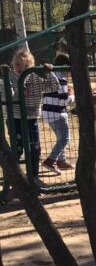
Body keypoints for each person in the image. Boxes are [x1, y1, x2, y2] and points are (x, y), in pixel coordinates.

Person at [10, 48, 58, 188]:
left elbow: (53, 87)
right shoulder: (9, 78)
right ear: (13, 64)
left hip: (31, 119)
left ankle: (34, 177)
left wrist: (49, 73)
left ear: (31, 66)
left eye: (26, 66)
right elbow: (9, 95)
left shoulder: (36, 77)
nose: (21, 68)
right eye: (18, 64)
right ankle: (13, 178)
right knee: (17, 149)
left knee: (34, 149)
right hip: (16, 119)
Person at [41, 51, 73, 173]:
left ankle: (61, 161)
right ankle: (50, 160)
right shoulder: (62, 79)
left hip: (47, 112)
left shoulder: (52, 75)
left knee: (60, 138)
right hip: (58, 113)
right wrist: (73, 96)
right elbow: (63, 101)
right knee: (65, 139)